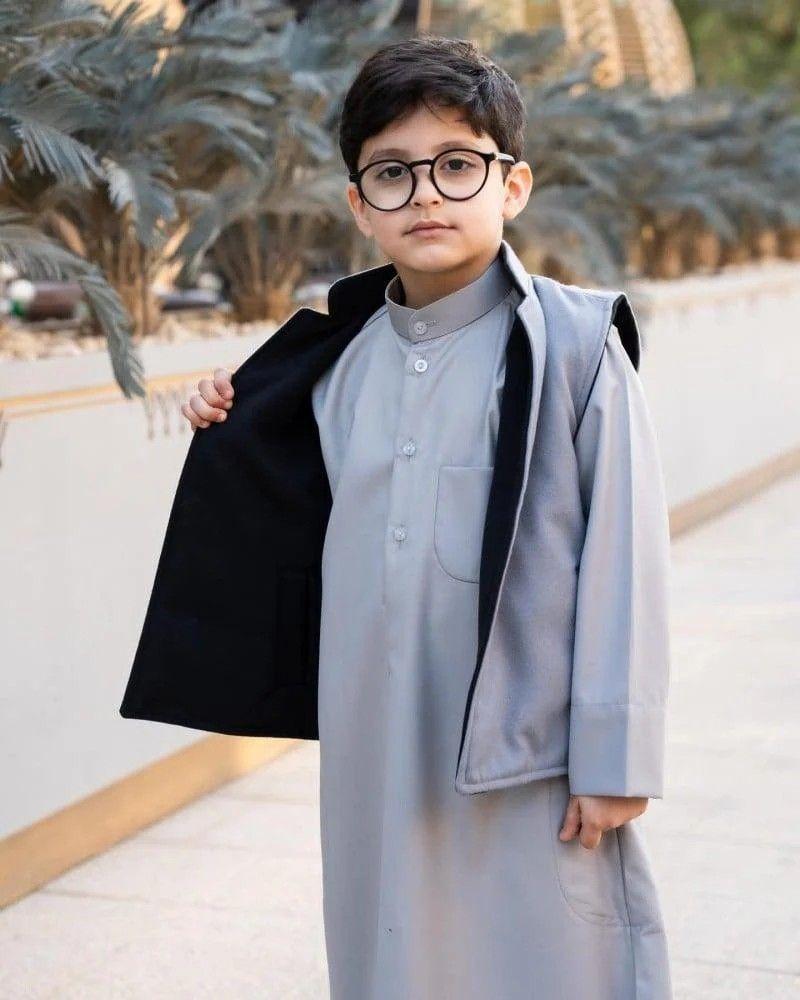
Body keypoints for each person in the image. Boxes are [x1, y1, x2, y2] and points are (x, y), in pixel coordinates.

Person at [143, 35, 673, 1000]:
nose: (426, 195)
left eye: (456, 165)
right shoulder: (329, 362)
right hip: (375, 733)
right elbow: (278, 512)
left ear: (512, 185)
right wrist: (228, 415)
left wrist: (616, 756)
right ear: (359, 205)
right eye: (392, 173)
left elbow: (625, 559)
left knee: (543, 955)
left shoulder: (576, 348)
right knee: (388, 948)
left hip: (523, 746)